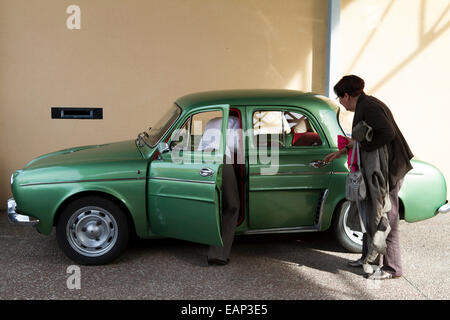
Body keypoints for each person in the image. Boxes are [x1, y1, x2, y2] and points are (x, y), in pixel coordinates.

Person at [324, 75, 414, 280]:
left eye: (340, 98)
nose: (341, 103)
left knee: (386, 219)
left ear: (346, 96)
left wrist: (363, 147)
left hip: (388, 171)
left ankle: (392, 268)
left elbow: (387, 133)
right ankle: (369, 259)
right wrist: (341, 151)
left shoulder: (370, 107)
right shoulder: (365, 105)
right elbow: (362, 136)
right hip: (379, 171)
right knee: (368, 214)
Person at [198, 115, 241, 266]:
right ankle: (218, 254)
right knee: (232, 206)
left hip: (201, 157)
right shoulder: (235, 121)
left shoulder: (212, 120)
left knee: (213, 203)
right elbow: (236, 146)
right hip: (220, 157)